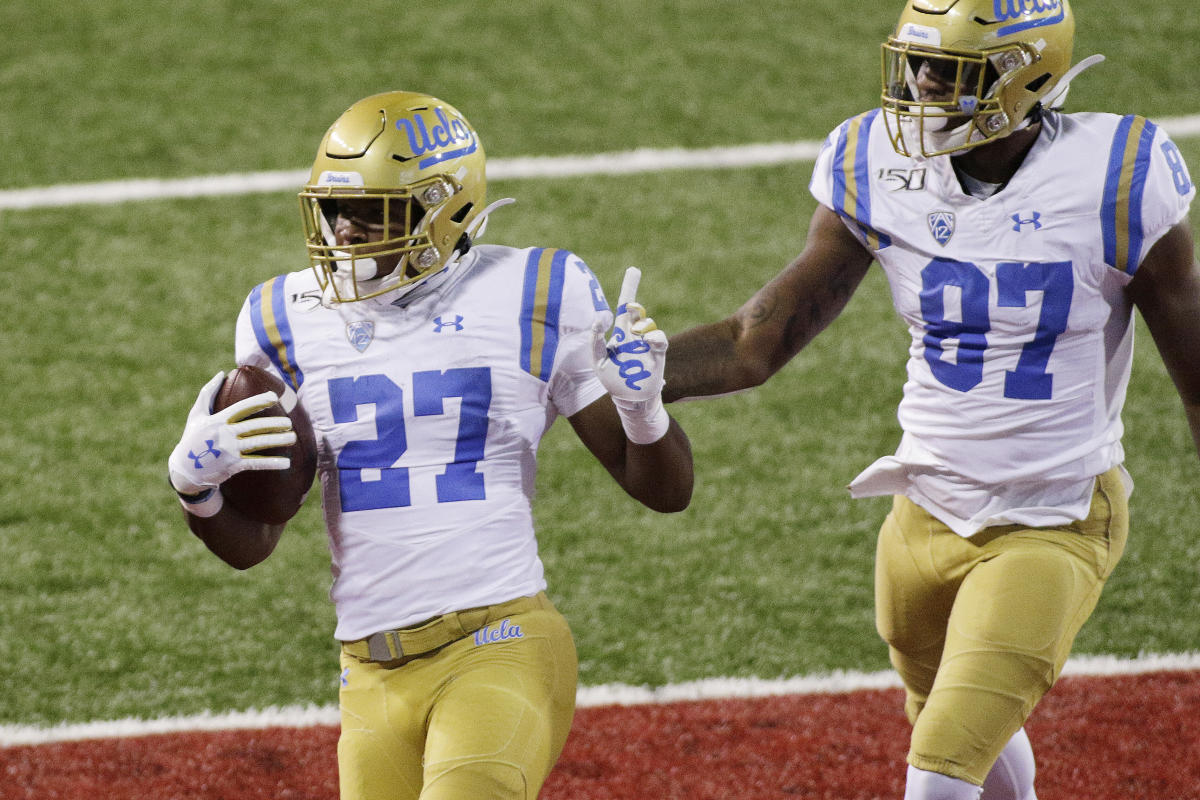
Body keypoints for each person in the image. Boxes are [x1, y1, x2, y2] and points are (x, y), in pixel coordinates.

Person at [648, 2, 1200, 798]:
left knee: (939, 770)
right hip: (922, 510)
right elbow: (753, 341)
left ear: (1027, 76)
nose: (922, 84)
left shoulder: (1118, 176)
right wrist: (627, 369)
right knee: (951, 722)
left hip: (1052, 516)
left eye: (952, 70)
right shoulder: (873, 159)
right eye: (916, 63)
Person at [166, 90, 693, 800]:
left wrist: (642, 408)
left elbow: (663, 490)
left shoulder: (538, 287)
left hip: (499, 642)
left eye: (373, 211)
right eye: (335, 210)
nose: (345, 233)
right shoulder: (277, 317)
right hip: (369, 672)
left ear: (445, 210)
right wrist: (197, 490)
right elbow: (253, 541)